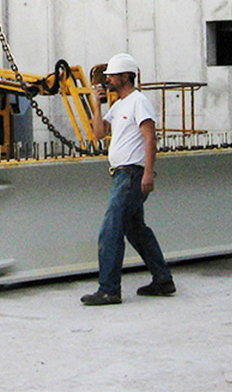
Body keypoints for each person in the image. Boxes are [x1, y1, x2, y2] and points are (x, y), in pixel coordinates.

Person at [80, 53, 175, 306]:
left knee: (110, 230)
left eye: (111, 75)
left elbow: (150, 138)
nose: (107, 79)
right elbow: (99, 134)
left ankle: (109, 289)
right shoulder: (119, 105)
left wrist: (147, 172)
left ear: (125, 76)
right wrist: (97, 104)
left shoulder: (138, 102)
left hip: (132, 174)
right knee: (136, 230)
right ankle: (163, 280)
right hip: (122, 174)